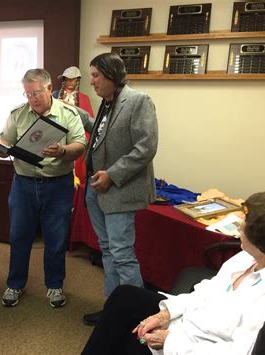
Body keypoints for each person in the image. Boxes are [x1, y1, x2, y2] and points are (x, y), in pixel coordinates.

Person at [82, 191, 265, 355]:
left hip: (196, 344)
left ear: (264, 241)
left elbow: (239, 351)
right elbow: (205, 291)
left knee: (128, 342)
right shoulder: (246, 258)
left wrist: (170, 342)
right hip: (188, 324)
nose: (238, 227)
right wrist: (165, 315)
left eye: (245, 223)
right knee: (125, 296)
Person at [0, 68, 87, 308]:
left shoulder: (67, 113)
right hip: (23, 184)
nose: (32, 98)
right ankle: (15, 284)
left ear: (48, 88)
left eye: (36, 93)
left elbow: (80, 145)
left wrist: (63, 151)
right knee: (19, 237)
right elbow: (5, 139)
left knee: (56, 239)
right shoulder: (18, 114)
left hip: (58, 184)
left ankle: (54, 286)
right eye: (27, 93)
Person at [81, 53, 159, 325]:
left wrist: (112, 175)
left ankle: (138, 317)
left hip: (118, 189)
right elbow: (102, 135)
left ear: (112, 74)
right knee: (107, 250)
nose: (91, 82)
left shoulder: (138, 101)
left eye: (95, 76)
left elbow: (145, 148)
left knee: (122, 255)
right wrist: (78, 115)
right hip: (96, 189)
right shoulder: (106, 103)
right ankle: (115, 308)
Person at [53, 66, 94, 184]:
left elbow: (89, 121)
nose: (71, 83)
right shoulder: (55, 96)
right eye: (68, 80)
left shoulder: (83, 98)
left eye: (74, 80)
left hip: (76, 136)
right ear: (63, 80)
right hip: (59, 135)